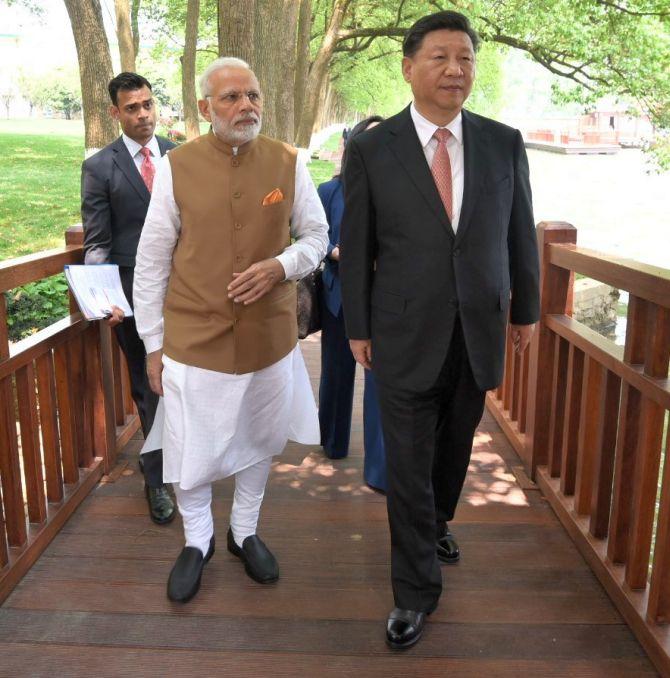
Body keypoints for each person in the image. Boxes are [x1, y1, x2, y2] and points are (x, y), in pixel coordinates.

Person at [340, 10, 540, 649]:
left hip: (476, 328)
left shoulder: (503, 141)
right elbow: (358, 239)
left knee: (455, 447)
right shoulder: (372, 147)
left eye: (466, 58)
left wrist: (527, 309)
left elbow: (518, 233)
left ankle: (436, 521)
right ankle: (415, 591)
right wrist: (358, 325)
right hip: (402, 331)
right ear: (409, 67)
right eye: (440, 57)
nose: (456, 70)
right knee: (407, 463)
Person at [133, 57, 329, 603]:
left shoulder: (289, 161)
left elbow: (316, 234)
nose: (246, 106)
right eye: (230, 98)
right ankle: (197, 540)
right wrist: (153, 343)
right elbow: (151, 260)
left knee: (260, 437)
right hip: (194, 337)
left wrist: (281, 266)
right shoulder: (178, 167)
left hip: (269, 336)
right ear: (205, 108)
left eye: (253, 94)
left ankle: (244, 531)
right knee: (190, 444)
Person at [81, 72, 176, 525]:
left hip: (189, 295)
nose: (143, 115)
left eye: (148, 104)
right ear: (115, 113)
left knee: (188, 383)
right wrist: (106, 298)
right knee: (149, 386)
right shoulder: (101, 166)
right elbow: (97, 242)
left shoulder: (182, 158)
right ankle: (156, 480)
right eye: (132, 108)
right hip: (133, 299)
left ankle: (186, 461)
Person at [317, 116, 387, 492]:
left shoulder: (398, 191)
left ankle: (379, 467)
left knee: (380, 383)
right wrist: (335, 252)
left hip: (386, 302)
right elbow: (313, 238)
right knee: (336, 373)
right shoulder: (329, 191)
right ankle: (333, 441)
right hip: (339, 297)